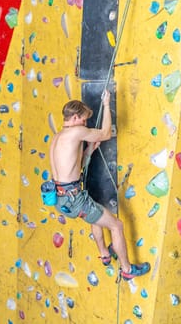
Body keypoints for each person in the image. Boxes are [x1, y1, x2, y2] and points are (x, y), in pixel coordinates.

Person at [49, 90, 150, 281]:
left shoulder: (57, 137)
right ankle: (127, 270)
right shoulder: (76, 131)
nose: (85, 125)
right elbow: (104, 133)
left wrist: (88, 151)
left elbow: (71, 167)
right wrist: (106, 103)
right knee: (117, 226)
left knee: (95, 215)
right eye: (84, 120)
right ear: (76, 117)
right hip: (75, 200)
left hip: (61, 198)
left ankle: (105, 254)